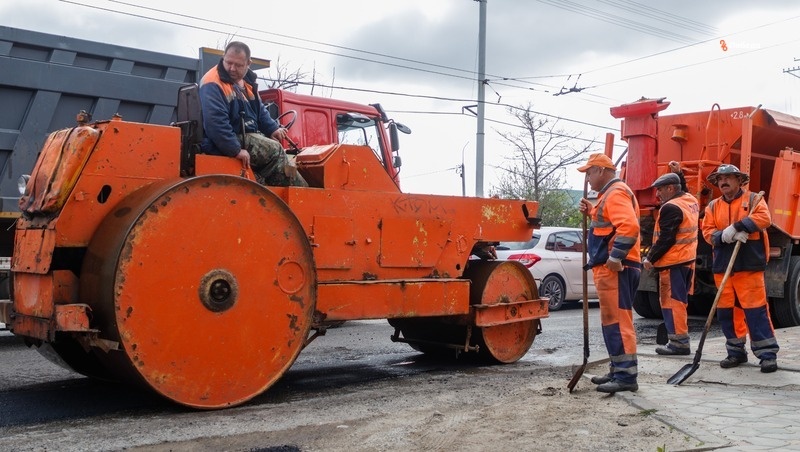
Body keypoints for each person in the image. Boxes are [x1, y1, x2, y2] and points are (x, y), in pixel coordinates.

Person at [700, 164, 779, 373]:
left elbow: (764, 219)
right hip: (723, 267)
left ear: (739, 180)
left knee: (756, 311)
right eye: (719, 179)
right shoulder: (712, 206)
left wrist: (738, 227)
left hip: (749, 266)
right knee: (727, 313)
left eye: (727, 178)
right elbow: (707, 232)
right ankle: (735, 352)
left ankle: (767, 355)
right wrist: (723, 235)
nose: (723, 182)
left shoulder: (753, 199)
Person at [199, 41, 306, 187]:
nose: (231, 68)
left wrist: (272, 128)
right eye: (228, 62)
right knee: (275, 151)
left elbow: (259, 110)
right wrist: (235, 150)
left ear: (248, 63)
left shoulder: (247, 82)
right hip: (220, 141)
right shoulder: (213, 83)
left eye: (238, 65)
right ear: (223, 58)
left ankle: (272, 189)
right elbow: (215, 124)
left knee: (273, 145)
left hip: (241, 136)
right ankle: (299, 195)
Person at [578, 153, 642, 393]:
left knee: (617, 322)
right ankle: (619, 369)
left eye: (589, 172)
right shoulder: (611, 194)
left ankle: (626, 377)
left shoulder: (615, 193)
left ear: (602, 171)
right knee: (612, 321)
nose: (588, 178)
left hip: (615, 269)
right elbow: (613, 225)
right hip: (614, 268)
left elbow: (629, 227)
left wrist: (615, 258)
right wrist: (593, 211)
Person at [642, 162, 699, 356]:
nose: (657, 194)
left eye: (660, 190)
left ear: (671, 189)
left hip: (673, 262)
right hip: (686, 260)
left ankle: (679, 342)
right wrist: (680, 174)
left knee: (672, 303)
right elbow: (686, 190)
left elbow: (667, 238)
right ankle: (678, 340)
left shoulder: (670, 208)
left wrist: (650, 257)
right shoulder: (690, 201)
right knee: (679, 302)